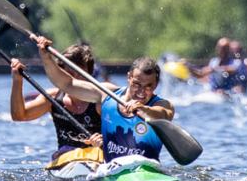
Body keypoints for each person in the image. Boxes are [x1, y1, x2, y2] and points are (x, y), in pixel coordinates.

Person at [32, 35, 176, 162]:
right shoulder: (107, 94)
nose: (141, 91)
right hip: (109, 169)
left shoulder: (163, 104)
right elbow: (66, 83)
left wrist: (144, 109)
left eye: (148, 86)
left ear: (156, 84)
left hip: (146, 169)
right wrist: (46, 56)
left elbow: (162, 114)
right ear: (129, 78)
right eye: (136, 84)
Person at [8, 43, 102, 161]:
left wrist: (104, 140)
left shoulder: (101, 102)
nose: (74, 80)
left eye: (79, 74)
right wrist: (17, 80)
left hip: (97, 158)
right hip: (65, 160)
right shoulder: (53, 98)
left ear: (89, 74)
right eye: (70, 74)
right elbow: (19, 115)